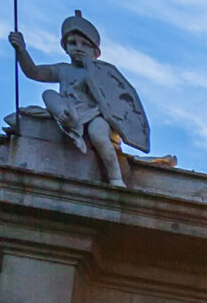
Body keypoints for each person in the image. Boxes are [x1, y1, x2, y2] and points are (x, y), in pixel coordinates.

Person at [10, 11, 149, 188]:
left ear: (95, 52)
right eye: (72, 43)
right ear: (65, 47)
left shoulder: (102, 72)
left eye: (85, 44)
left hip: (95, 113)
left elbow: (119, 99)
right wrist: (21, 50)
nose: (78, 47)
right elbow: (33, 72)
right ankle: (64, 115)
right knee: (48, 94)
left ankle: (116, 179)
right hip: (69, 108)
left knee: (99, 135)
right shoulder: (62, 69)